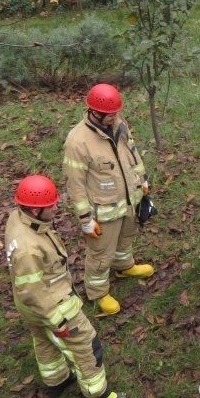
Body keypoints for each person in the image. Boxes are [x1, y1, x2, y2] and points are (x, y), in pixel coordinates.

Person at [6, 174, 128, 398]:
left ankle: (56, 380)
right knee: (85, 344)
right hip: (52, 304)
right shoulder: (28, 250)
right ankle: (96, 394)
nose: (55, 208)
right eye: (50, 206)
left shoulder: (18, 219)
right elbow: (32, 291)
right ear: (34, 210)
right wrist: (57, 320)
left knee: (44, 340)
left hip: (31, 307)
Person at [62, 84, 154, 316]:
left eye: (116, 113)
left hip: (129, 201)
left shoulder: (119, 124)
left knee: (126, 239)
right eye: (109, 114)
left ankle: (124, 266)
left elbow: (132, 153)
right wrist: (86, 219)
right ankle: (97, 291)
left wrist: (142, 179)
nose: (114, 117)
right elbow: (75, 184)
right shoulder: (78, 141)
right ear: (94, 112)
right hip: (103, 209)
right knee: (101, 253)